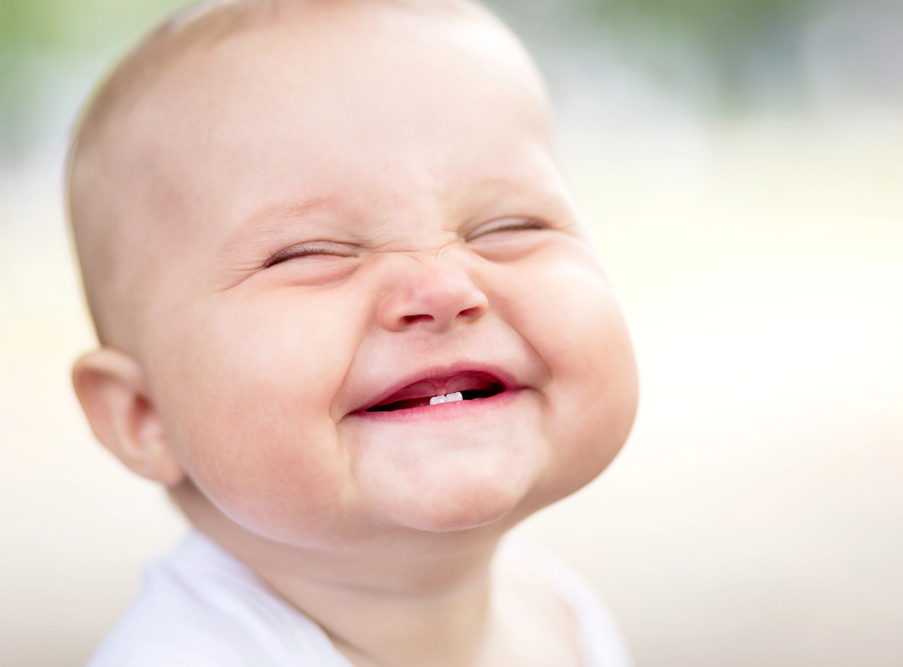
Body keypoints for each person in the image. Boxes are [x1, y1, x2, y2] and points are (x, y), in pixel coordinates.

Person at [67, 0, 640, 665]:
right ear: (144, 414)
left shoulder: (559, 611)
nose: (444, 288)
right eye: (310, 252)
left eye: (509, 227)